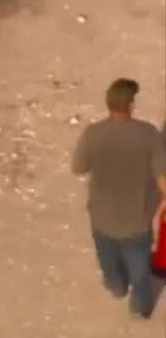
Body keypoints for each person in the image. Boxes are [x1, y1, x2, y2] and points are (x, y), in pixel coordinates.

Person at [71, 78, 166, 320]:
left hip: (101, 219)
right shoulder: (148, 134)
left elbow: (78, 167)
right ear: (131, 105)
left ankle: (117, 287)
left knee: (109, 263)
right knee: (140, 273)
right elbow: (161, 175)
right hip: (136, 222)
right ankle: (140, 309)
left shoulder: (92, 133)